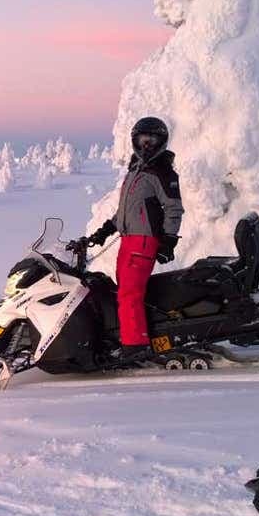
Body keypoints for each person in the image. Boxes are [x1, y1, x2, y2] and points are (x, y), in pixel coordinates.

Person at [81, 117, 184, 363]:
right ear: (135, 141)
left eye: (151, 141)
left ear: (161, 142)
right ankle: (130, 334)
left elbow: (174, 208)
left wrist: (169, 240)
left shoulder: (162, 172)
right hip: (128, 240)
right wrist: (105, 230)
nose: (146, 145)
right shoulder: (136, 170)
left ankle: (135, 345)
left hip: (144, 241)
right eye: (142, 140)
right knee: (123, 290)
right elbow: (126, 210)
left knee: (129, 294)